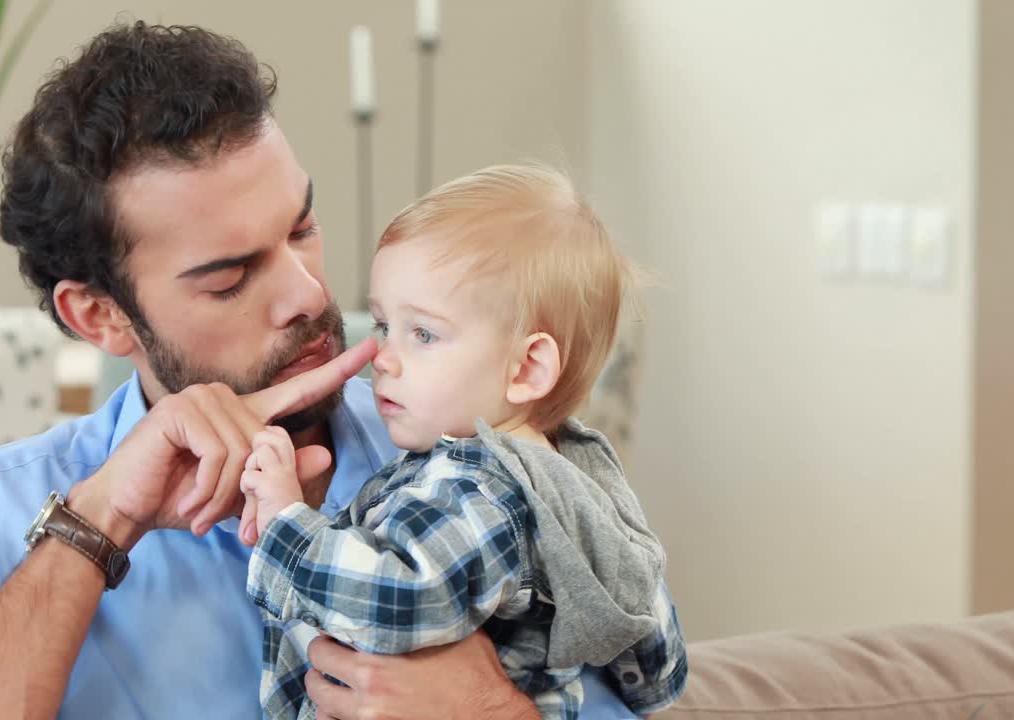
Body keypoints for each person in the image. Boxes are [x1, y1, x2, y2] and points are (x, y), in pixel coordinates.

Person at [0, 22, 669, 720]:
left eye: (303, 228)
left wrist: (496, 712)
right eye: (229, 277)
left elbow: (647, 672)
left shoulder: (478, 460)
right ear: (97, 315)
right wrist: (95, 526)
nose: (309, 293)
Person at [236, 165, 688, 719]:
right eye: (382, 326)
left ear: (526, 367)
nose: (384, 356)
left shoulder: (480, 490)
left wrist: (287, 522)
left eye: (423, 333)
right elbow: (650, 650)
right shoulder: (569, 481)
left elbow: (396, 600)